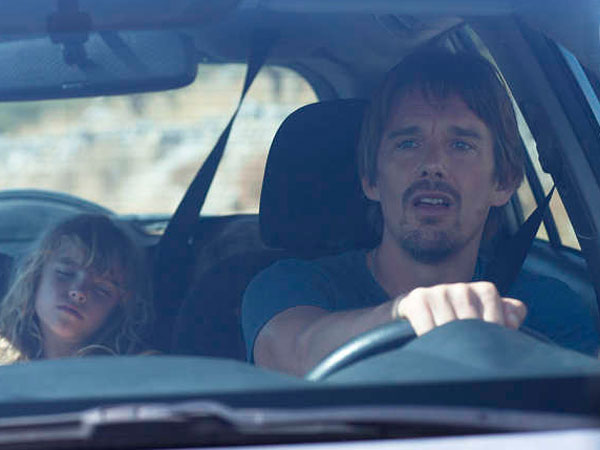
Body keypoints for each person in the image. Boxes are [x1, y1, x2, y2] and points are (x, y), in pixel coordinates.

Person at [242, 49, 600, 376]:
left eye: (460, 144)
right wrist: (403, 313)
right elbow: (292, 352)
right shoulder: (292, 285)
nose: (433, 164)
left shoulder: (543, 306)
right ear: (371, 180)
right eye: (408, 143)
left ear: (503, 182)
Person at [0, 213, 153, 362]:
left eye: (102, 289)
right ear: (35, 275)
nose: (79, 292)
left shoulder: (140, 369)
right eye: (65, 273)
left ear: (118, 306)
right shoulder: (4, 357)